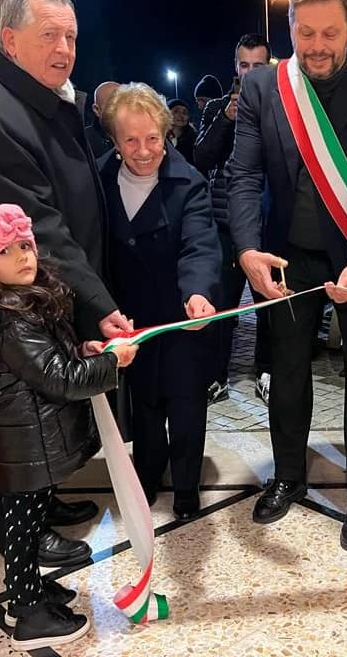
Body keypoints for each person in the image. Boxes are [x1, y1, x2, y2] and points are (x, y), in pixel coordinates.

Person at [0, 0, 132, 567]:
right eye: (48, 35)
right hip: (11, 304)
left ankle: (42, 505)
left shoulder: (37, 98)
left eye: (71, 36)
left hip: (42, 290)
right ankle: (19, 537)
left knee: (42, 414)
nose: (64, 49)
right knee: (17, 424)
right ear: (10, 40)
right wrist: (99, 302)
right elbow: (41, 226)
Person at [228, 0, 347, 552]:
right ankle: (288, 477)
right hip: (286, 256)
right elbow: (244, 175)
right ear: (291, 30)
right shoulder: (265, 88)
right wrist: (247, 248)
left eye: (330, 33)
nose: (317, 47)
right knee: (286, 372)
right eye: (305, 33)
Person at [0, 204, 138, 650]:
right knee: (23, 529)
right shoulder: (11, 321)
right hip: (26, 442)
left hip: (23, 440)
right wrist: (111, 362)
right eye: (5, 251)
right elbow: (60, 380)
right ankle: (29, 614)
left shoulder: (15, 307)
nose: (23, 256)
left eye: (25, 245)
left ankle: (27, 591)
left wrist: (84, 351)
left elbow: (47, 363)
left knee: (25, 523)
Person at [100, 83, 221, 520]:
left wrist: (198, 291)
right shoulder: (98, 180)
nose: (144, 151)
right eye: (131, 140)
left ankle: (187, 486)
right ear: (115, 141)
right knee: (144, 402)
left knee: (186, 401)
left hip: (179, 314)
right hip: (127, 317)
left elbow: (200, 244)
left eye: (153, 138)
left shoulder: (189, 183)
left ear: (166, 133)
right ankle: (147, 477)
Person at [194, 33, 273, 405]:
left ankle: (266, 371)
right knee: (221, 304)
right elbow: (201, 158)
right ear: (235, 67)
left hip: (266, 220)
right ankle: (215, 375)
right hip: (224, 224)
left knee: (269, 303)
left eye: (259, 65)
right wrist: (227, 118)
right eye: (245, 65)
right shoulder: (217, 107)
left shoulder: (282, 105)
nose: (251, 72)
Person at [85, 80, 120, 157]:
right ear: (96, 110)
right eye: (111, 105)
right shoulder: (82, 142)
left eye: (123, 103)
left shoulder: (138, 135)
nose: (119, 110)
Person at [167, 98, 198, 165]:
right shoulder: (160, 138)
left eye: (185, 113)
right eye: (176, 111)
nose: (181, 116)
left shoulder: (194, 140)